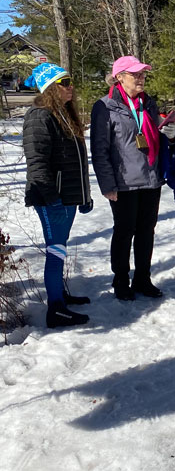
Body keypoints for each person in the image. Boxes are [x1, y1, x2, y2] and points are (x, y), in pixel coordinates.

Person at [90, 56, 175, 300]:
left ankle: (142, 279)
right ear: (119, 77)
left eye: (143, 74)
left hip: (151, 178)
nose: (141, 78)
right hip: (123, 182)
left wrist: (169, 134)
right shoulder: (105, 106)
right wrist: (107, 184)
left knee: (146, 231)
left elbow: (155, 137)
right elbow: (99, 149)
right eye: (135, 74)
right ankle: (120, 281)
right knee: (124, 231)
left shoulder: (148, 103)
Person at [22, 63, 93, 328]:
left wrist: (82, 196)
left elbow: (75, 162)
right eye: (64, 82)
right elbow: (37, 162)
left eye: (70, 80)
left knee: (59, 251)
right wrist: (51, 197)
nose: (70, 86)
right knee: (55, 252)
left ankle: (59, 295)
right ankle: (56, 310)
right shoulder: (39, 116)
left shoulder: (61, 113)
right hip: (52, 199)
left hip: (66, 197)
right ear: (50, 87)